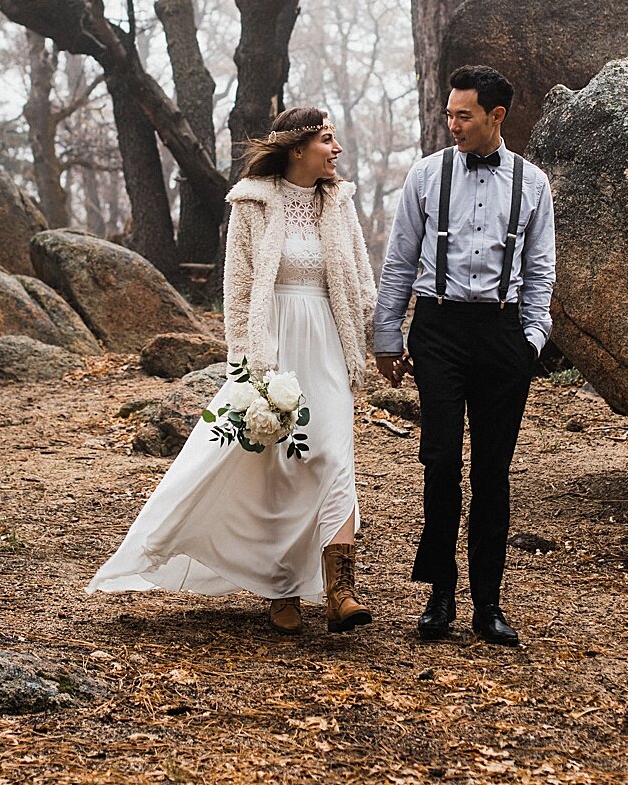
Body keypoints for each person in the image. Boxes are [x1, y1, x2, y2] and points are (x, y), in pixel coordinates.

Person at [90, 107, 379, 635]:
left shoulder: (340, 202)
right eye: (327, 140)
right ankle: (281, 586)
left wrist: (376, 337)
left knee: (333, 455)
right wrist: (248, 363)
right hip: (275, 343)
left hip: (329, 344)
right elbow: (240, 290)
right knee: (279, 466)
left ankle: (341, 590)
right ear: (297, 149)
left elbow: (359, 279)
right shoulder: (251, 205)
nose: (336, 150)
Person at [373, 64, 556, 647]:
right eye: (448, 113)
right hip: (439, 332)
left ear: (496, 117)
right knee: (441, 463)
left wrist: (531, 341)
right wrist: (387, 335)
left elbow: (541, 272)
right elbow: (400, 258)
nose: (452, 124)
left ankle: (488, 604)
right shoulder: (426, 175)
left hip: (503, 337)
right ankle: (440, 593)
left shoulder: (534, 184)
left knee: (493, 474)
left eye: (463, 115)